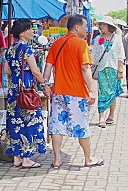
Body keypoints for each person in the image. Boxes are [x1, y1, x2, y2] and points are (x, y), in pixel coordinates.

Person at [43, 14, 103, 168]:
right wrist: (92, 90)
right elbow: (85, 68)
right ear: (77, 27)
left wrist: (45, 85)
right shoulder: (81, 44)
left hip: (59, 92)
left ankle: (57, 159)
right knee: (81, 126)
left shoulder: (56, 44)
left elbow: (48, 66)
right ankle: (88, 158)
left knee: (57, 126)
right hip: (76, 92)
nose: (87, 29)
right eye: (85, 26)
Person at [3, 19, 47, 169]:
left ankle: (17, 157)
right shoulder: (27, 49)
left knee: (15, 122)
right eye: (30, 29)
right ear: (22, 33)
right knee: (29, 121)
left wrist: (15, 79)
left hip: (14, 88)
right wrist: (45, 83)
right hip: (26, 87)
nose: (32, 31)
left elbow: (7, 71)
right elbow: (35, 70)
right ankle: (27, 159)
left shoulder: (10, 49)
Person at [91, 16, 125, 127]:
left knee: (112, 93)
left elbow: (121, 55)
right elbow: (94, 55)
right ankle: (101, 118)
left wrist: (120, 71)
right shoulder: (98, 39)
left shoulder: (117, 38)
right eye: (101, 25)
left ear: (110, 26)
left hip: (113, 69)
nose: (102, 26)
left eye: (104, 25)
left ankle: (111, 115)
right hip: (101, 69)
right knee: (102, 93)